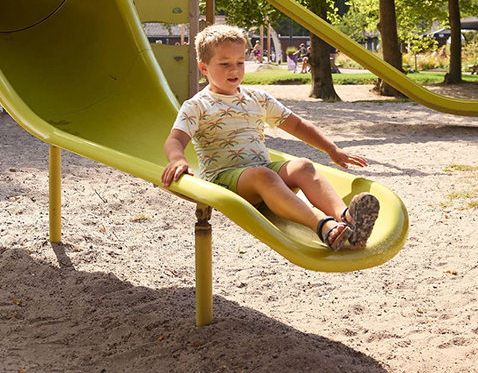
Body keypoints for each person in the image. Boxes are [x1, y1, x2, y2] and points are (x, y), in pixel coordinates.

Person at [161, 25, 379, 251]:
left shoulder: (258, 98)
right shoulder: (197, 105)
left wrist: (331, 149)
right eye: (224, 64)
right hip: (224, 179)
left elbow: (296, 124)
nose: (234, 69)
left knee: (303, 166)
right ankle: (323, 225)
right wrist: (178, 159)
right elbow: (175, 140)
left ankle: (347, 218)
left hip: (263, 172)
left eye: (240, 63)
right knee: (263, 175)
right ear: (203, 68)